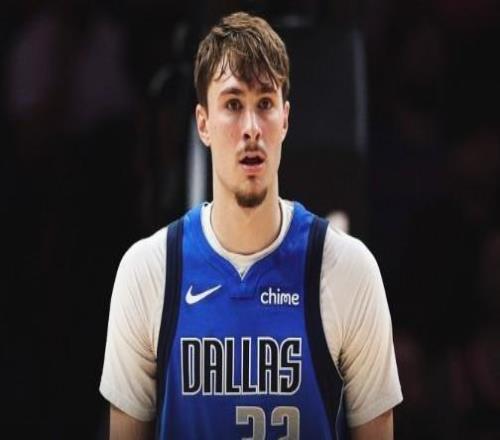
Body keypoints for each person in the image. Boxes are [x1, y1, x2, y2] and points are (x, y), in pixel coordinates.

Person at [100, 11, 402, 439]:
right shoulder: (148, 271)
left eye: (264, 104)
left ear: (285, 119)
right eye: (233, 104)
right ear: (203, 123)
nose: (251, 129)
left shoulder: (348, 270)